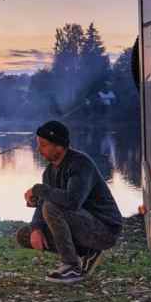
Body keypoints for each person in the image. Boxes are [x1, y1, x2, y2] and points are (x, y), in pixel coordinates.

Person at [18, 120, 123, 284]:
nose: (39, 150)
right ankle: (87, 251)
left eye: (44, 145)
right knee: (25, 235)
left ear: (59, 146)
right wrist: (36, 228)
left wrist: (40, 190)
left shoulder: (81, 164)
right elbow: (44, 203)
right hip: (81, 226)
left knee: (51, 207)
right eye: (38, 144)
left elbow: (73, 201)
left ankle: (71, 266)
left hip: (104, 230)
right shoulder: (49, 172)